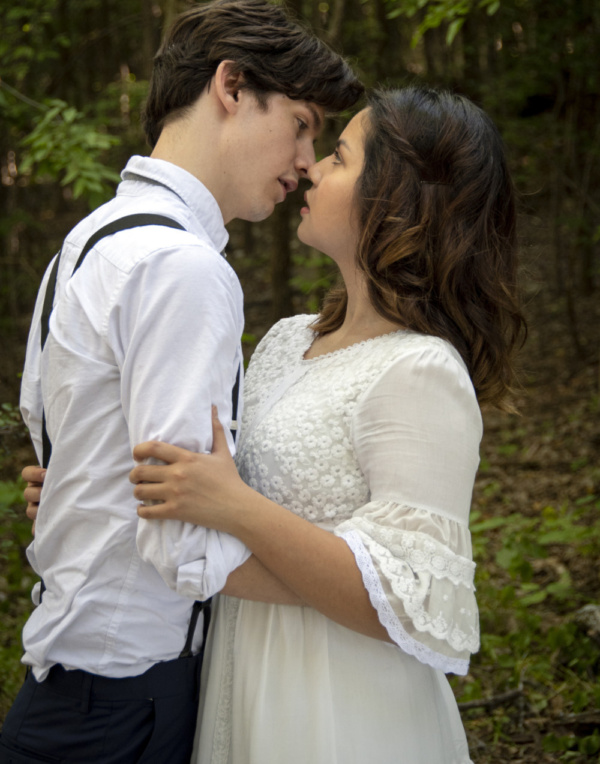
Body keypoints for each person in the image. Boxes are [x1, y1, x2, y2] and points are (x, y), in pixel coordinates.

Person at [1, 0, 363, 764]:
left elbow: (62, 449)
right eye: (300, 124)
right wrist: (352, 593)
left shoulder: (89, 239)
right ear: (232, 86)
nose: (306, 163)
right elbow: (186, 549)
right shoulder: (182, 268)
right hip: (122, 707)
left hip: (79, 690)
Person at [129, 86, 526, 764]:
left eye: (339, 156)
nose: (310, 168)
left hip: (341, 707)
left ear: (397, 198)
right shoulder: (287, 339)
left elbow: (411, 604)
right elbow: (207, 495)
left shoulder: (421, 372)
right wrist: (115, 499)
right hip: (244, 671)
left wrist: (236, 509)